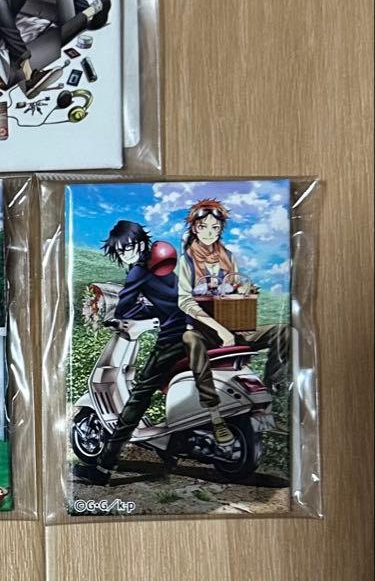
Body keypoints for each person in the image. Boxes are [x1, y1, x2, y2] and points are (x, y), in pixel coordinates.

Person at [73, 221, 231, 488]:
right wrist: (149, 313)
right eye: (120, 251)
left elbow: (123, 309)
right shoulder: (162, 262)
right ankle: (170, 446)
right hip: (198, 332)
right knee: (161, 385)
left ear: (140, 243)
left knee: (138, 396)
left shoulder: (138, 271)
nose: (125, 254)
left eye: (128, 248)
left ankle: (103, 468)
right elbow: (167, 302)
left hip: (173, 339)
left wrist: (124, 316)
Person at [177, 199, 290, 403]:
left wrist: (244, 288)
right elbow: (185, 301)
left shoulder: (227, 256)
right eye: (203, 227)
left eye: (215, 227)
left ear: (220, 229)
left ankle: (272, 387)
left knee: (284, 331)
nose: (209, 233)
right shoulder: (186, 261)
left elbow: (234, 284)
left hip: (234, 327)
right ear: (194, 228)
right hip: (206, 331)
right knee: (190, 338)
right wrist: (221, 330)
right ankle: (211, 404)